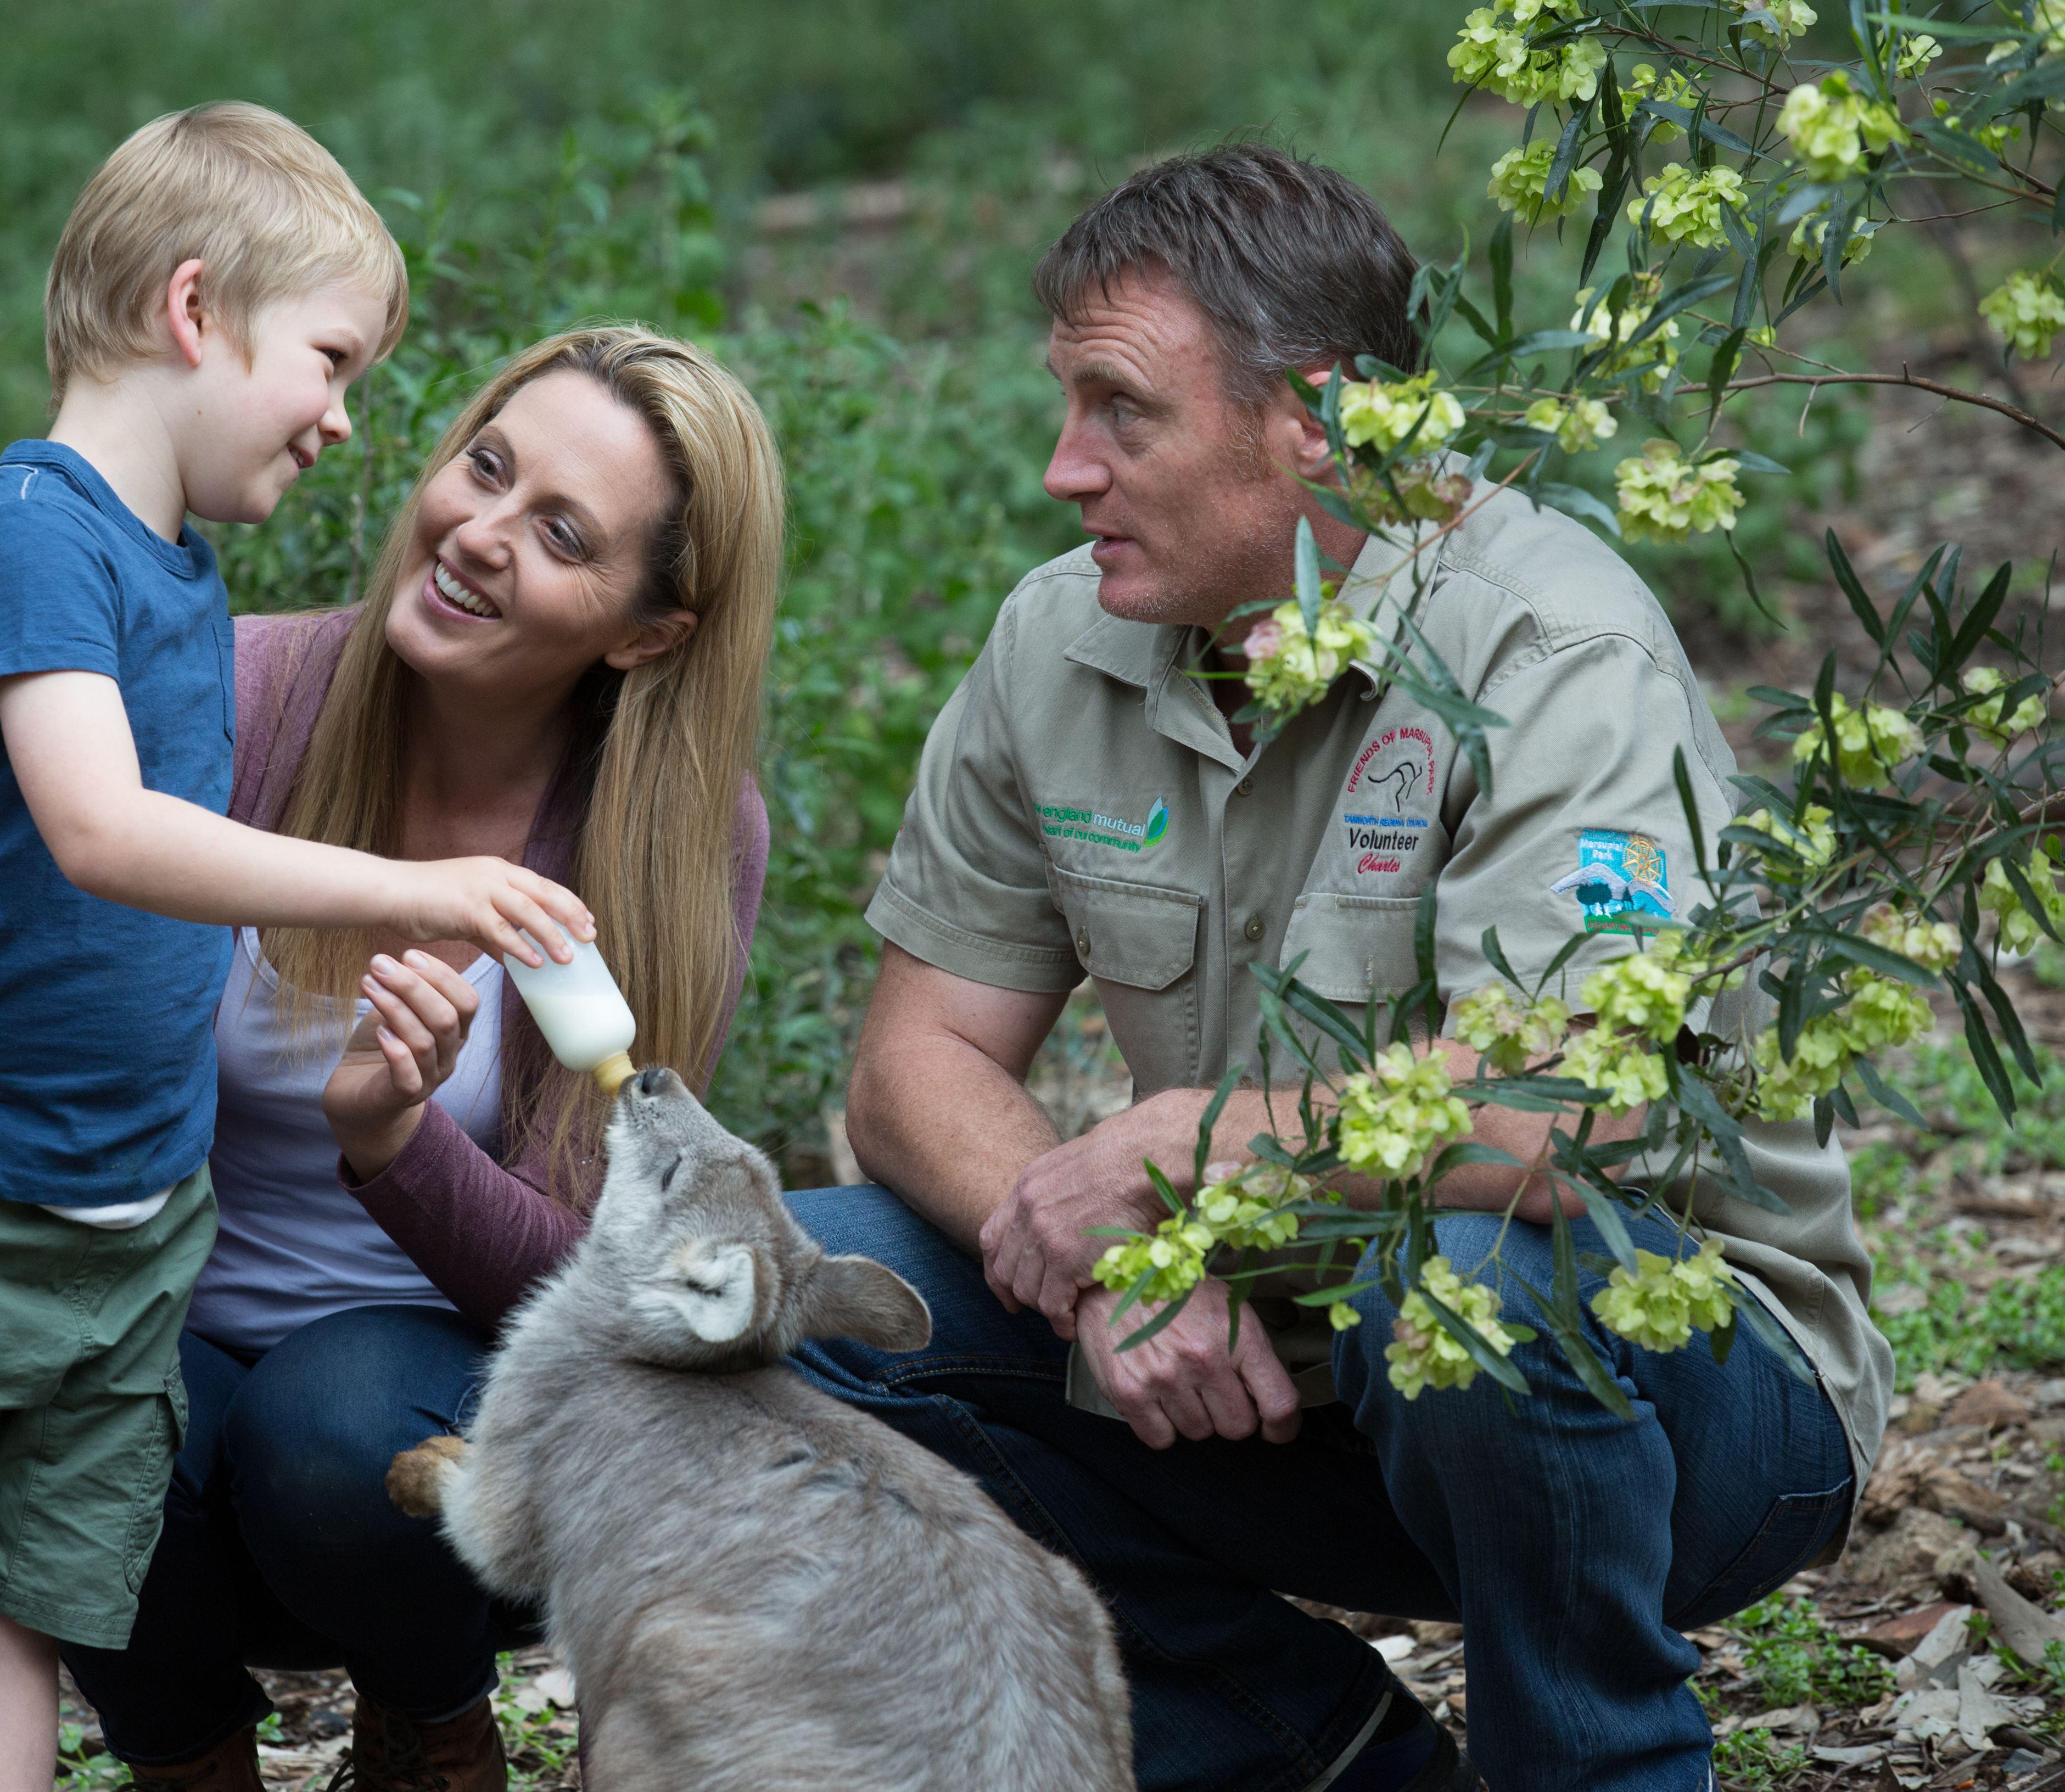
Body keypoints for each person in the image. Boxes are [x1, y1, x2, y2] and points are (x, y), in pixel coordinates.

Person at [790, 145, 1888, 1792]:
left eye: (1120, 411)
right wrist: (1115, 1270)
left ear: (1316, 418)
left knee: (1465, 1266)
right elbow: (912, 1064)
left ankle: (1602, 1769)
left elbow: (1553, 1127)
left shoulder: (1550, 646)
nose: (1061, 470)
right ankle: (1311, 1757)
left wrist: (1187, 1160)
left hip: (1690, 1408)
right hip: (1272, 1387)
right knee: (802, 1301)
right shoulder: (1058, 641)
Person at [0, 324, 783, 1792]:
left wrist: (393, 1148)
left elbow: (597, 1277)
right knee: (69, 1393)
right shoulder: (230, 691)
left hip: (435, 1434)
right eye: (484, 468)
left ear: (643, 630)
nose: (480, 535)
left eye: (560, 533)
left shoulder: (671, 838)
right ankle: (186, 1751)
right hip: (151, 1327)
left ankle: (432, 1721)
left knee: (330, 1424)